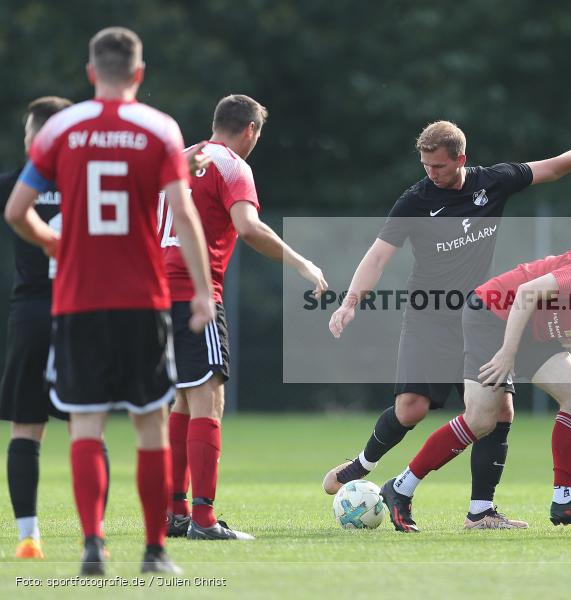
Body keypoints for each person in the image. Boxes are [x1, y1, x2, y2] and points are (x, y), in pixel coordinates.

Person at [323, 119, 571, 529]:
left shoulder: (493, 182)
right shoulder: (415, 200)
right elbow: (379, 255)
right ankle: (363, 464)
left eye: (437, 166)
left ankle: (480, 512)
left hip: (483, 317)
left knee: (498, 411)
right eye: (425, 165)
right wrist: (350, 302)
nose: (429, 174)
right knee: (411, 409)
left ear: (460, 159)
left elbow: (555, 167)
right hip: (429, 317)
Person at [4, 27, 215, 574]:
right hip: (142, 301)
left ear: (91, 73)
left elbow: (16, 211)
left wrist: (55, 243)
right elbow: (184, 215)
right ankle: (153, 550)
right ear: (139, 74)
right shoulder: (159, 129)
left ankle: (92, 544)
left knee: (86, 422)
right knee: (148, 423)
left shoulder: (61, 129)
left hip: (76, 301)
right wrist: (197, 291)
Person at [378, 252, 571, 532]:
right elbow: (528, 293)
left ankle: (562, 501)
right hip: (493, 314)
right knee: (481, 418)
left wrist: (569, 334)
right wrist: (507, 352)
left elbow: (562, 310)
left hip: (531, 333)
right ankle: (401, 488)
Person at [161, 94, 327, 540]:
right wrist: (302, 264)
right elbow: (249, 227)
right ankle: (203, 519)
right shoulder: (232, 164)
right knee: (207, 401)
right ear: (251, 129)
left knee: (181, 398)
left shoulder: (178, 158)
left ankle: (174, 513)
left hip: (156, 294)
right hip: (196, 293)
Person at [1, 96, 91, 560]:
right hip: (82, 313)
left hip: (32, 315)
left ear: (35, 136)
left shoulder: (18, 182)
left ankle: (28, 537)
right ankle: (90, 537)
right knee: (86, 427)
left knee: (25, 428)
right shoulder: (90, 180)